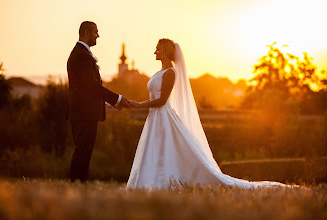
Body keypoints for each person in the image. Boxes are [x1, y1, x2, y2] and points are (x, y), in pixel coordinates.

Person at [126, 38, 295, 189]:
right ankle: (151, 180)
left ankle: (164, 180)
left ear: (165, 51)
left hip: (163, 117)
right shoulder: (159, 73)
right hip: (154, 117)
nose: (154, 52)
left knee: (164, 148)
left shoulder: (170, 73)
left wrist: (138, 105)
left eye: (157, 48)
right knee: (155, 148)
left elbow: (162, 100)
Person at [67, 21, 132, 182]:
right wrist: (117, 98)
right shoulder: (82, 55)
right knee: (83, 150)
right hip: (85, 113)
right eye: (96, 32)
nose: (98, 35)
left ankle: (77, 185)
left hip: (81, 111)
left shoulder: (80, 53)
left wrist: (111, 103)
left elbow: (86, 89)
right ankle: (76, 184)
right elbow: (91, 86)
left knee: (83, 150)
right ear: (87, 33)